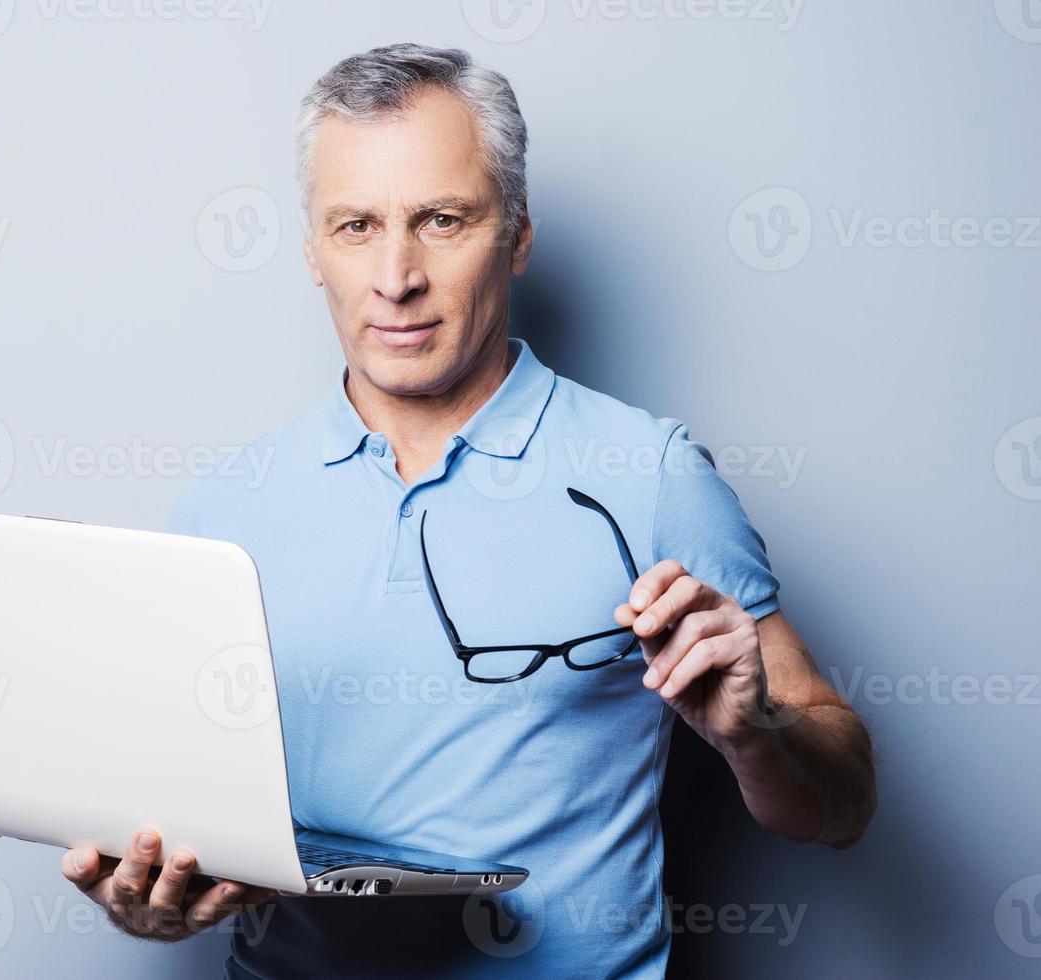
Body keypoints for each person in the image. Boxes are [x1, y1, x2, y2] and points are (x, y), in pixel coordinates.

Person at [62, 42, 876, 977]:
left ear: (517, 234)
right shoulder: (223, 506)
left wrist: (756, 732)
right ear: (310, 249)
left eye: (441, 220)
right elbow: (172, 838)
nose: (395, 275)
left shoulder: (646, 473)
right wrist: (154, 906)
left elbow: (841, 808)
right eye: (355, 226)